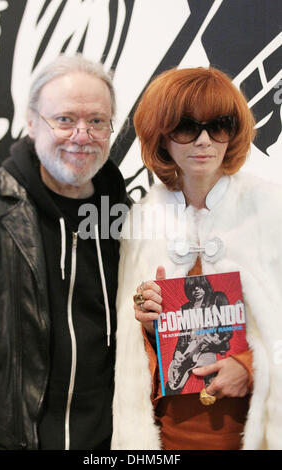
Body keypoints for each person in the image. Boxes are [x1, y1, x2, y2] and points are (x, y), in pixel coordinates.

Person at [112, 66, 282, 450]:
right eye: (187, 127)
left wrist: (252, 368)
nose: (204, 140)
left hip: (254, 435)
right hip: (167, 438)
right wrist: (148, 322)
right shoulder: (141, 222)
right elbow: (132, 359)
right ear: (162, 137)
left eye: (218, 125)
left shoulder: (272, 211)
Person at [0, 54, 129, 450]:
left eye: (97, 121)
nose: (82, 135)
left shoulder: (126, 217)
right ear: (31, 122)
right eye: (64, 119)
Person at [165, 276, 231, 395]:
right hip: (188, 351)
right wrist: (178, 353)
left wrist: (218, 340)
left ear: (205, 285)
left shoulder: (217, 299)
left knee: (213, 386)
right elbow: (182, 335)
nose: (196, 290)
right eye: (192, 288)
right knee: (170, 390)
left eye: (199, 286)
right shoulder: (186, 308)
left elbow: (227, 330)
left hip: (207, 349)